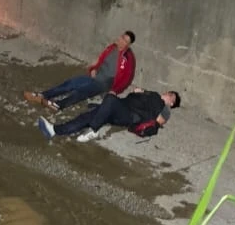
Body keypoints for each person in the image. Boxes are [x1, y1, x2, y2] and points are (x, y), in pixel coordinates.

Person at [24, 32, 136, 112]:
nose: (121, 41)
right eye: (122, 37)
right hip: (96, 76)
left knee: (81, 91)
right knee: (71, 83)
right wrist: (93, 69)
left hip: (105, 83)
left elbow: (127, 78)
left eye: (125, 41)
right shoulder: (112, 47)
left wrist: (115, 91)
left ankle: (58, 105)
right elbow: (100, 60)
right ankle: (43, 95)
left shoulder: (128, 58)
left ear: (128, 45)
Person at [37, 87, 181, 142]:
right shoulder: (153, 94)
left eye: (172, 97)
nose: (168, 95)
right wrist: (140, 92)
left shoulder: (165, 109)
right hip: (122, 107)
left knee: (110, 100)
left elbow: (158, 123)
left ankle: (93, 130)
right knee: (87, 116)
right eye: (169, 93)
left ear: (171, 104)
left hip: (129, 116)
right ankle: (54, 130)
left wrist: (157, 118)